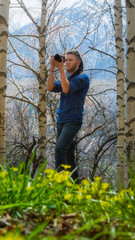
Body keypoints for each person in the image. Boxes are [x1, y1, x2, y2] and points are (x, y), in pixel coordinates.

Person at [47, 50, 90, 181]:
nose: (66, 63)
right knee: (69, 154)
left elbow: (66, 88)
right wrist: (53, 68)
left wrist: (60, 69)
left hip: (73, 120)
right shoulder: (66, 77)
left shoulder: (82, 78)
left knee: (60, 149)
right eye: (66, 60)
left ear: (78, 62)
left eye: (70, 60)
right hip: (62, 120)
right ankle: (75, 185)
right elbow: (50, 87)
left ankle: (60, 184)